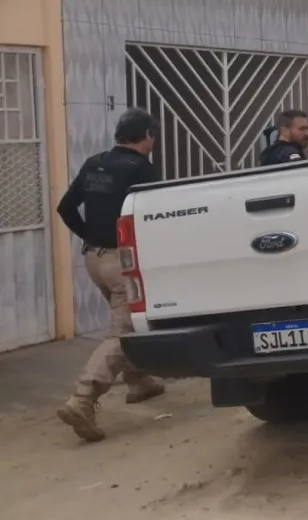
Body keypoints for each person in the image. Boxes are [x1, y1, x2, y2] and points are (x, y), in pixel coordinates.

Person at [55, 108, 165, 442]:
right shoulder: (141, 170)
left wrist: (91, 235)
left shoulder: (94, 163)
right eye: (153, 136)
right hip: (122, 262)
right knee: (123, 331)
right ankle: (83, 399)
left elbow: (65, 207)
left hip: (94, 260)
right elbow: (154, 217)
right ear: (147, 135)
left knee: (122, 322)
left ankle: (138, 381)